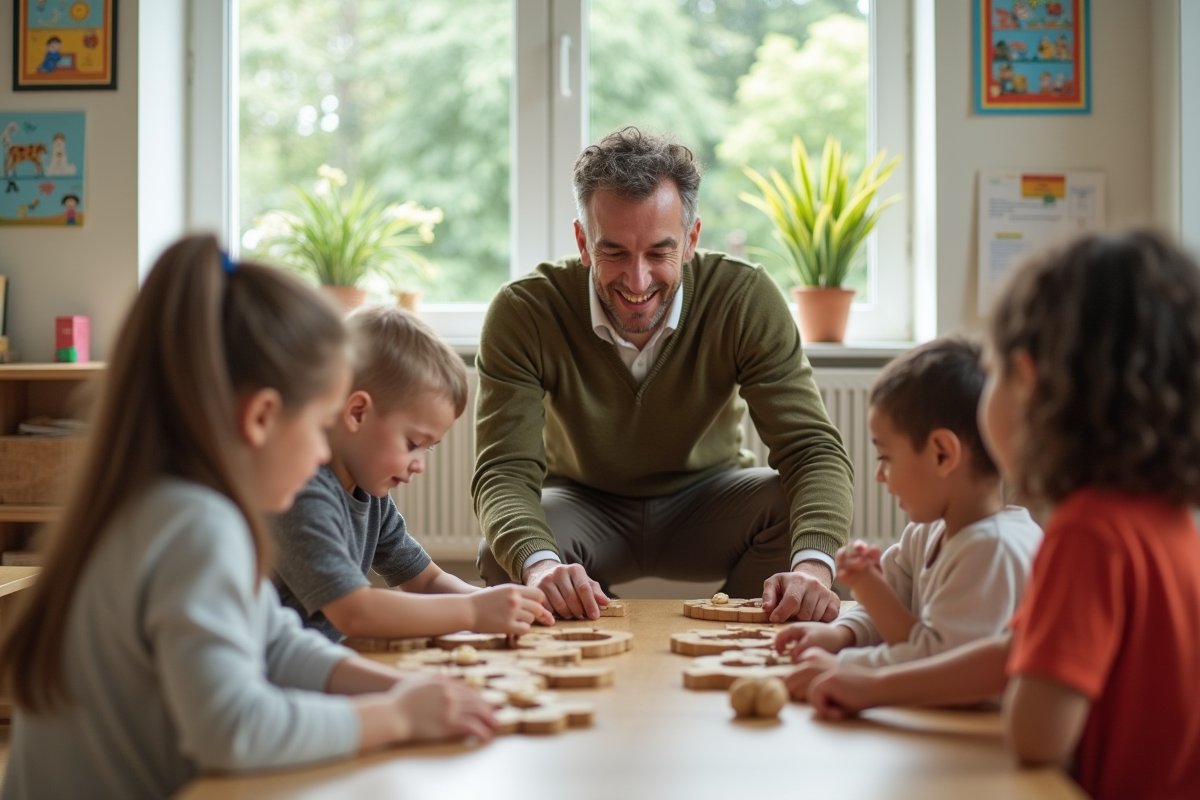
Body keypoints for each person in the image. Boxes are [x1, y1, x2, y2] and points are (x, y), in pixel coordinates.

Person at [0, 237, 497, 800]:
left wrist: (400, 689)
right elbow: (234, 732)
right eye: (316, 428)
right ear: (261, 417)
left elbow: (277, 642)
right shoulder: (197, 528)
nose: (319, 455)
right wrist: (397, 718)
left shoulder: (170, 504)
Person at [804, 231, 1200, 800]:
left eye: (994, 371)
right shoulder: (1166, 518)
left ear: (1028, 379)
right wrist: (871, 685)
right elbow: (1011, 654)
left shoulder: (1088, 532)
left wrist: (872, 680)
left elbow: (1039, 735)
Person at [473, 126, 854, 622]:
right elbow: (504, 470)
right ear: (583, 242)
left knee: (797, 517)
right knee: (505, 554)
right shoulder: (524, 310)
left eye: (659, 251)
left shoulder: (743, 299)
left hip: (710, 500)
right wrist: (542, 566)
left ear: (691, 239)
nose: (637, 280)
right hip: (583, 505)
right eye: (613, 252)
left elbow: (812, 449)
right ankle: (584, 662)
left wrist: (813, 570)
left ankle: (740, 649)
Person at [772, 338, 1041, 698]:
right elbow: (889, 616)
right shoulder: (926, 532)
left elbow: (942, 666)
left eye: (885, 456)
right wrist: (840, 635)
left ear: (942, 455)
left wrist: (845, 668)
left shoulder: (993, 550)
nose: (879, 475)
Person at [273, 305, 553, 642]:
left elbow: (426, 581)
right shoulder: (301, 492)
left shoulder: (369, 494)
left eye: (428, 448)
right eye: (413, 444)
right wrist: (473, 613)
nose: (419, 464)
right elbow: (355, 612)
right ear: (358, 413)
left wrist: (499, 603)